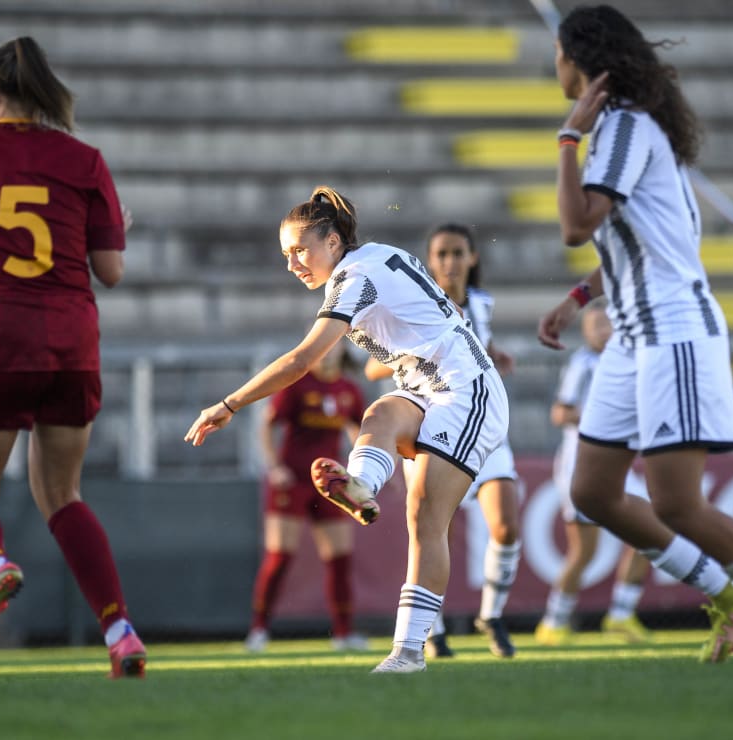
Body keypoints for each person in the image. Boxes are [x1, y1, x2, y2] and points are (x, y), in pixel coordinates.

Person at [537, 4, 733, 663]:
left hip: (673, 332)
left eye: (560, 52)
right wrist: (579, 297)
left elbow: (574, 224)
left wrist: (566, 138)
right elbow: (639, 242)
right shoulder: (632, 130)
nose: (554, 63)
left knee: (677, 503)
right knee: (590, 492)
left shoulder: (615, 128)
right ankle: (725, 592)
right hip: (633, 335)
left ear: (580, 59)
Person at [185, 186, 509, 673]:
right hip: (426, 387)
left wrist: (230, 403)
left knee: (426, 517)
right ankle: (360, 486)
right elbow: (447, 314)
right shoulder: (378, 257)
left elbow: (301, 360)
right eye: (285, 254)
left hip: (468, 393)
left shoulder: (355, 277)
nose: (293, 263)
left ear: (333, 241)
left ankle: (407, 653)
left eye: (300, 250)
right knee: (377, 415)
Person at [0, 36, 145, 678]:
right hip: (71, 340)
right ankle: (121, 634)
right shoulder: (86, 160)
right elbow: (109, 272)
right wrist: (115, 232)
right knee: (62, 493)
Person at [365, 223, 522, 659]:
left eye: (458, 253)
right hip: (433, 418)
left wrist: (495, 354)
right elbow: (373, 367)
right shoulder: (415, 301)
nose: (450, 262)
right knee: (433, 525)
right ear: (430, 262)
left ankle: (491, 614)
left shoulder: (483, 303)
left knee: (506, 524)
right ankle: (429, 631)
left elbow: (478, 346)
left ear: (473, 258)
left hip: (480, 415)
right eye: (442, 254)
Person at [535, 306, 654, 646]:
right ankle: (553, 623)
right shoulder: (584, 363)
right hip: (581, 463)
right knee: (585, 549)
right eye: (594, 325)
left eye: (607, 323)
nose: (602, 330)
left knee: (651, 529)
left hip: (616, 463)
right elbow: (560, 412)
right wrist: (601, 417)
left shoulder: (627, 362)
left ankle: (621, 615)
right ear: (585, 333)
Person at [244, 342, 368, 653]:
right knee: (280, 557)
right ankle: (258, 630)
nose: (326, 352)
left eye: (332, 346)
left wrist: (362, 470)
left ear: (342, 351)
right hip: (293, 481)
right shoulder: (297, 384)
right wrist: (274, 467)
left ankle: (343, 634)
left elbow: (361, 431)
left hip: (330, 487)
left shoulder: (349, 390)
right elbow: (266, 426)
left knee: (340, 558)